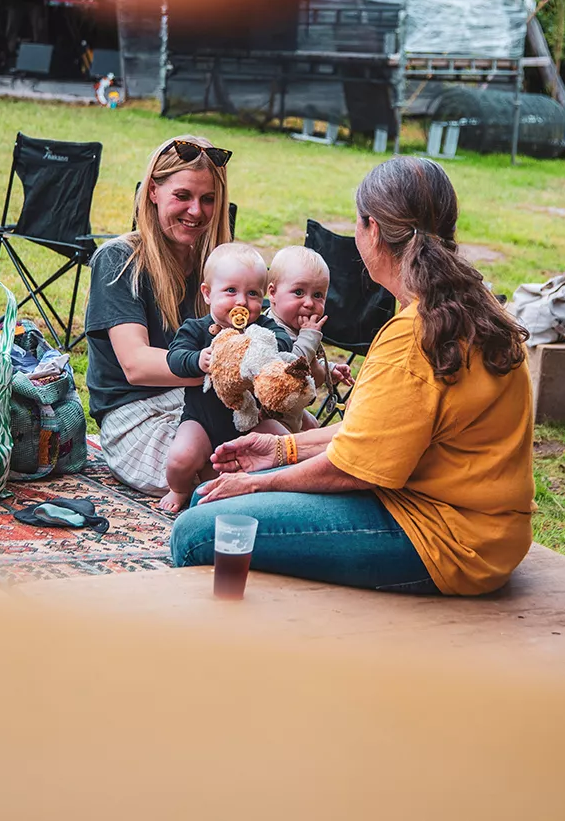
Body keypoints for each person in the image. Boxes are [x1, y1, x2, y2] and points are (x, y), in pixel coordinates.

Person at [169, 157, 535, 596]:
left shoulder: (413, 334)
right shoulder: (471, 309)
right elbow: (378, 433)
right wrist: (283, 448)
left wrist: (258, 481)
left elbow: (356, 469)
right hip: (486, 533)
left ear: (372, 230)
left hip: (442, 539)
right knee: (207, 497)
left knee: (195, 532)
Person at [83, 136, 233, 495]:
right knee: (230, 471)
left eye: (208, 199)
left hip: (202, 401)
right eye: (183, 196)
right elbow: (136, 365)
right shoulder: (119, 260)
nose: (196, 211)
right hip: (136, 416)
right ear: (153, 191)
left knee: (282, 442)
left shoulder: (216, 266)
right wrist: (220, 368)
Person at [161, 243, 294, 512]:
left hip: (252, 423)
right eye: (231, 291)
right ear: (207, 294)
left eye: (252, 293)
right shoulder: (197, 329)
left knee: (287, 443)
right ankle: (180, 489)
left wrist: (261, 348)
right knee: (180, 459)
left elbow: (284, 341)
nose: (241, 302)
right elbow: (174, 357)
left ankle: (281, 487)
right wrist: (198, 360)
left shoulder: (262, 328)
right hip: (202, 422)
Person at [263, 245, 353, 431]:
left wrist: (328, 369)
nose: (310, 303)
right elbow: (289, 370)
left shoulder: (298, 329)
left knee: (311, 424)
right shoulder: (269, 332)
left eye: (318, 295)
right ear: (272, 293)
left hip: (290, 411)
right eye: (298, 292)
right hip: (267, 418)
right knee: (288, 437)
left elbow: (310, 362)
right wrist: (308, 339)